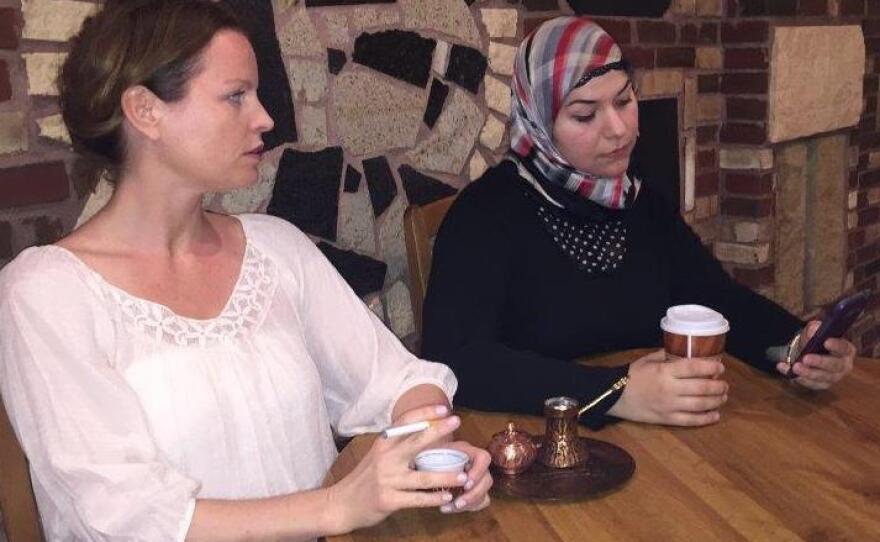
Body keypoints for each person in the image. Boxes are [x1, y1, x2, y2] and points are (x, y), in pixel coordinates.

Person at [0, 1, 491, 540]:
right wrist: (335, 508)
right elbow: (124, 513)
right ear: (145, 111)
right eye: (235, 96)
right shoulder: (47, 293)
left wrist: (432, 452)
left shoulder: (275, 249)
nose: (265, 118)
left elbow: (396, 382)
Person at [421, 16, 856, 430]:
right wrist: (616, 392)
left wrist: (795, 344)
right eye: (585, 114)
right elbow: (458, 361)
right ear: (538, 125)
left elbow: (715, 299)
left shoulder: (638, 201)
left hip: (652, 448)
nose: (618, 129)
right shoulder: (487, 213)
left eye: (625, 101)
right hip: (537, 454)